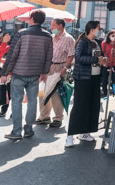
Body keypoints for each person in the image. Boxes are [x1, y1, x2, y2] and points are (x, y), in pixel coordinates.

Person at [0, 9, 53, 140]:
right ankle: (28, 129)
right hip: (35, 73)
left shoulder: (21, 34)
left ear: (31, 19)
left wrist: (5, 72)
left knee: (17, 101)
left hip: (19, 72)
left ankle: (17, 131)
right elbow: (49, 56)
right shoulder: (48, 36)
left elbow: (12, 55)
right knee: (32, 101)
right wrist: (45, 72)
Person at [65, 20, 107, 148]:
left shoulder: (96, 43)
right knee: (79, 105)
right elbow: (79, 57)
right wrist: (96, 60)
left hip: (95, 77)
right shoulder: (83, 42)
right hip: (83, 77)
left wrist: (103, 60)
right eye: (98, 28)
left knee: (92, 105)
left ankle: (85, 132)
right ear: (92, 29)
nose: (99, 30)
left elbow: (99, 57)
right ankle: (70, 136)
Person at [36, 18, 74, 129]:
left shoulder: (68, 38)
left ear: (60, 25)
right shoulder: (51, 38)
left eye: (53, 25)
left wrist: (65, 68)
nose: (51, 28)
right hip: (48, 66)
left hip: (60, 66)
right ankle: (44, 116)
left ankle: (58, 118)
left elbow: (71, 55)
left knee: (56, 93)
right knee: (43, 92)